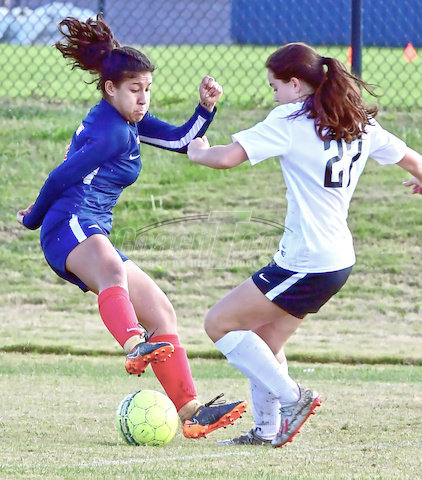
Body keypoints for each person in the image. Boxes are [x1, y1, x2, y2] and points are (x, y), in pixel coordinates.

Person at [16, 14, 246, 440]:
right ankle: (132, 345)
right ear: (111, 89)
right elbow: (60, 178)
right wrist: (32, 219)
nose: (143, 99)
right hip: (69, 225)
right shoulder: (110, 132)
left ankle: (192, 411)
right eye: (135, 90)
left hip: (90, 228)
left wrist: (205, 108)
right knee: (111, 270)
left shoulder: (127, 123)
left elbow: (180, 141)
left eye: (147, 89)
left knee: (160, 311)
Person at [187, 42, 422, 447]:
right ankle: (266, 431)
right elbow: (414, 161)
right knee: (264, 344)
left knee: (218, 323)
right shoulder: (357, 120)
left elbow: (227, 158)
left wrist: (198, 151)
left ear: (295, 84)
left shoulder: (291, 119)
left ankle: (294, 397)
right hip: (336, 261)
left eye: (275, 87)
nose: (273, 95)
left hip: (306, 261)